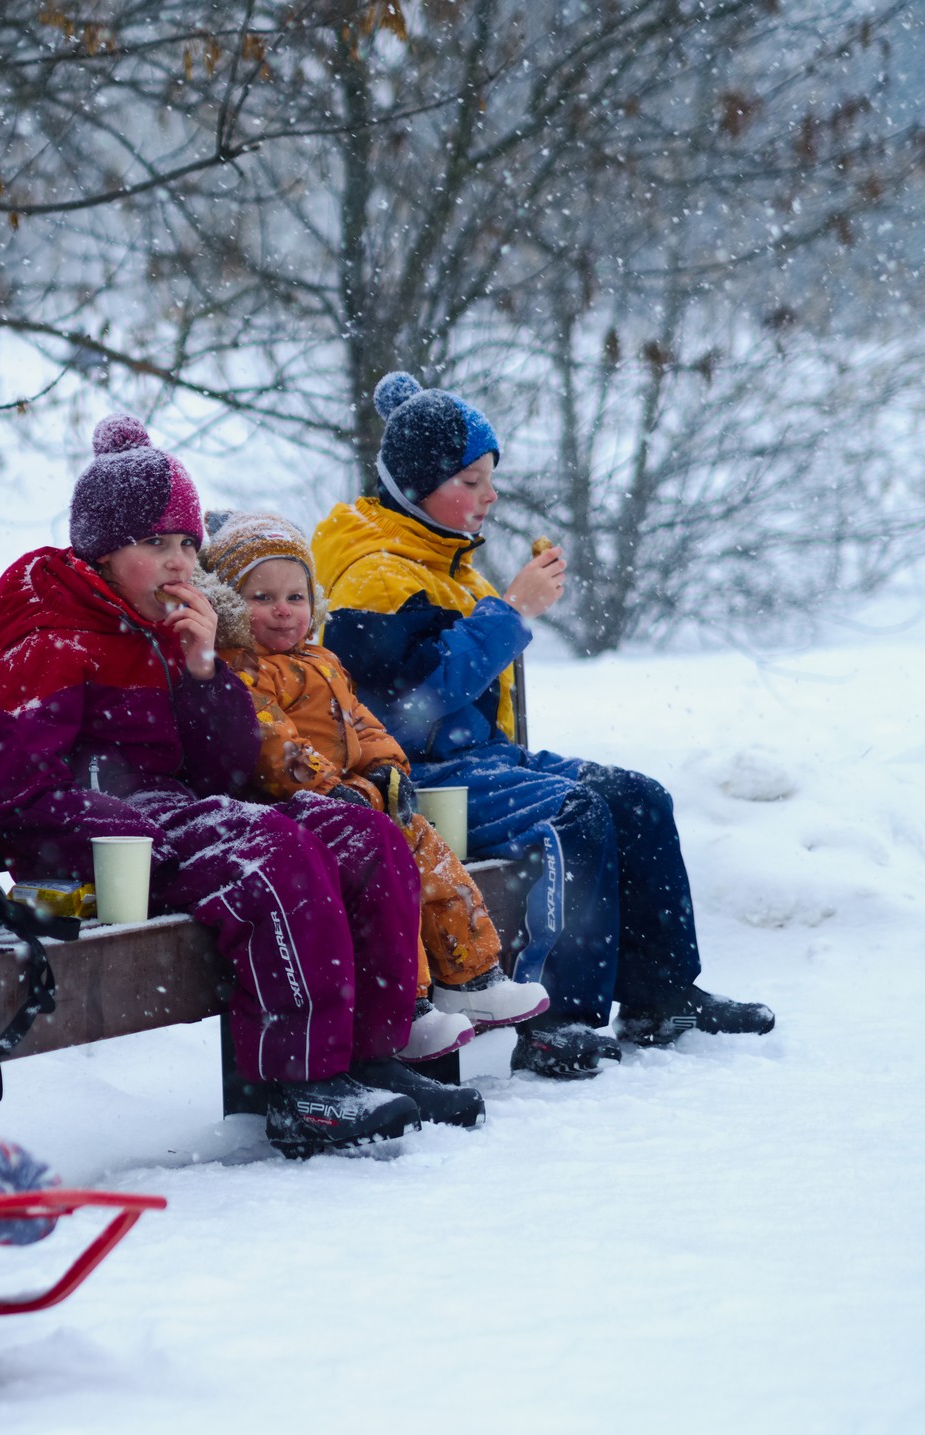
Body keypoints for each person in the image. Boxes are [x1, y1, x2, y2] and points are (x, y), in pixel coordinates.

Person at [0, 413, 475, 1156]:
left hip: (188, 816)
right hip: (110, 846)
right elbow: (16, 804)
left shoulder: (172, 636)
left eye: (186, 543)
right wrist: (125, 830)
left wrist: (206, 670)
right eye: (153, 544)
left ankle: (373, 1054)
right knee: (271, 853)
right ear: (103, 554)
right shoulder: (53, 644)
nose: (178, 561)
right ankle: (300, 1084)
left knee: (366, 836)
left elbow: (227, 770)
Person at [309, 371, 775, 1078]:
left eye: (490, 477)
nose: (490, 495)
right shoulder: (375, 576)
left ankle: (661, 994)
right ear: (416, 485)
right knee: (577, 815)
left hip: (482, 760)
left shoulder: (444, 559)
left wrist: (503, 606)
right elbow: (405, 712)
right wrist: (511, 612)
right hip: (426, 777)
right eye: (471, 478)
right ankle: (559, 1016)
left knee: (638, 796)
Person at [196, 512, 550, 1066]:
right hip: (295, 809)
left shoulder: (324, 661)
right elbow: (273, 744)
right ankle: (406, 1006)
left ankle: (473, 978)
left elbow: (363, 723)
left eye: (295, 596)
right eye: (262, 597)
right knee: (393, 882)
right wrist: (331, 789)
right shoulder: (244, 671)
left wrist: (388, 769)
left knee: (433, 863)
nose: (283, 610)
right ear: (229, 607)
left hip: (360, 799)